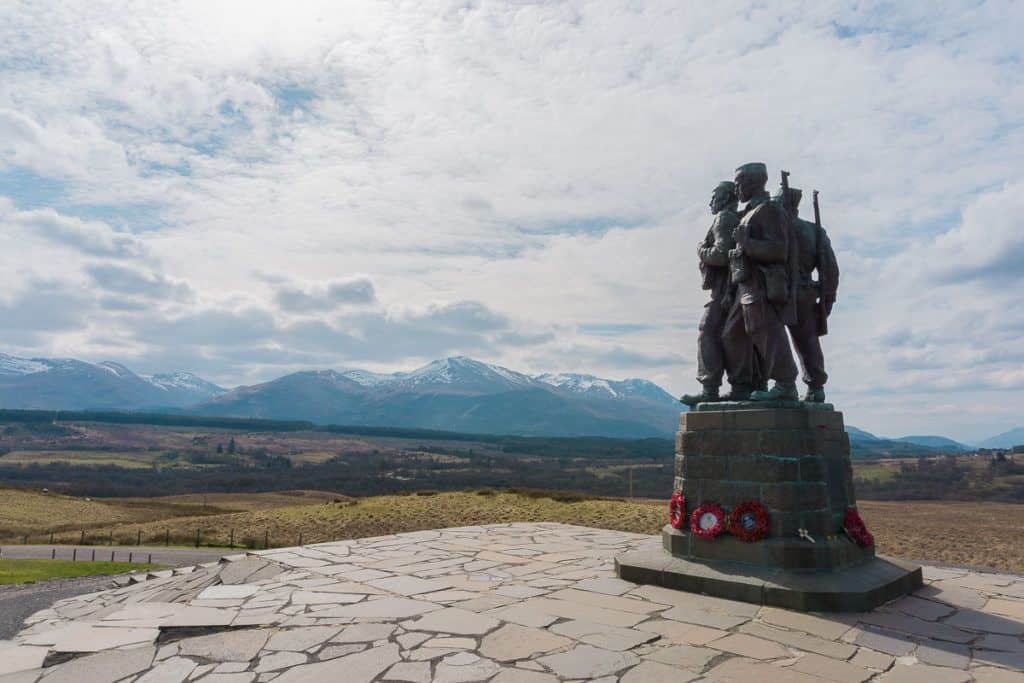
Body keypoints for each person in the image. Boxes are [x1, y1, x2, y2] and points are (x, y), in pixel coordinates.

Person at [720, 162, 799, 401]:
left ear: (754, 183)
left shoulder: (769, 210)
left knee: (767, 331)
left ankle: (786, 383)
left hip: (761, 283)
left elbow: (779, 250)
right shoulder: (749, 212)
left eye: (739, 183)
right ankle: (741, 385)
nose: (736, 189)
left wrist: (747, 243)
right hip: (742, 284)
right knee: (731, 335)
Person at [773, 186, 839, 402]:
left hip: (778, 292)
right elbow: (830, 271)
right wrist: (826, 299)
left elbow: (829, 270)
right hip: (804, 293)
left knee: (774, 338)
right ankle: (815, 387)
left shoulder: (778, 230)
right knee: (807, 341)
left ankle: (785, 384)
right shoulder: (814, 231)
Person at [681, 181, 739, 406]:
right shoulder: (733, 217)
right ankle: (736, 386)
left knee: (707, 331)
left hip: (725, 290)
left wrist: (701, 250)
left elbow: (721, 254)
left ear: (724, 198)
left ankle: (710, 388)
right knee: (730, 337)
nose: (710, 203)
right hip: (731, 289)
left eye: (714, 197)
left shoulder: (723, 218)